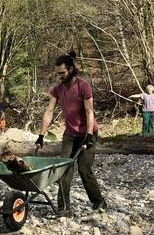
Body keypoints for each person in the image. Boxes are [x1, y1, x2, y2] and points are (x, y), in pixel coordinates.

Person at [35, 51, 107, 215]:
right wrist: (41, 135)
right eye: (58, 73)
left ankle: (99, 201)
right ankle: (64, 208)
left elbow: (90, 111)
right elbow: (49, 111)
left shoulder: (83, 86)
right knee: (64, 168)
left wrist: (89, 135)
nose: (60, 76)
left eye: (62, 73)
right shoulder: (58, 89)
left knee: (84, 169)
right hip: (70, 135)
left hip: (87, 133)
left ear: (71, 69)